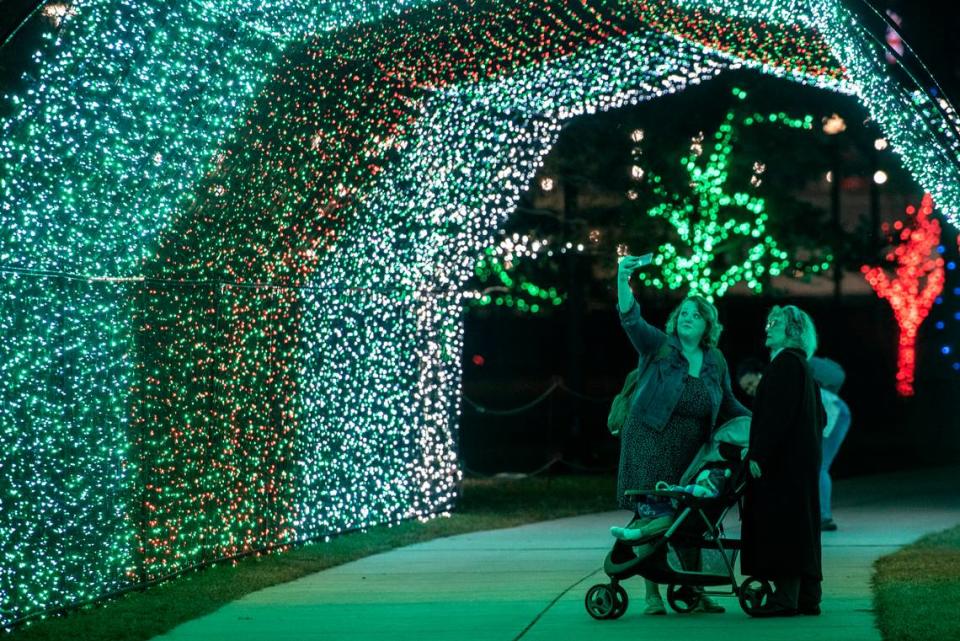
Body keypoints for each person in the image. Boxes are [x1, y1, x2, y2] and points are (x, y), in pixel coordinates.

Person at [612, 254, 749, 615]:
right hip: (649, 438)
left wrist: (761, 424)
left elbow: (730, 403)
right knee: (651, 510)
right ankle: (651, 595)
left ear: (707, 324)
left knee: (690, 517)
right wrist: (623, 279)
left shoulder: (715, 360)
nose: (687, 318)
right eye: (683, 313)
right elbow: (631, 319)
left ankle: (693, 587)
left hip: (690, 449)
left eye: (695, 314)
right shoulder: (659, 347)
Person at [741, 305, 826, 617]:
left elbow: (775, 416)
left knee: (782, 522)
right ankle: (808, 596)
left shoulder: (784, 366)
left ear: (793, 330)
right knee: (803, 523)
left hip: (782, 464)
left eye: (775, 323)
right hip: (801, 463)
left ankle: (785, 598)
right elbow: (821, 416)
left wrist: (759, 454)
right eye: (768, 321)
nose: (768, 327)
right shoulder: (803, 367)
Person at [737, 356, 851, 531]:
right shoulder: (769, 390)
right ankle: (811, 515)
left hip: (833, 411)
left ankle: (824, 517)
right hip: (825, 413)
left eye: (751, 383)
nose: (751, 389)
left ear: (760, 374)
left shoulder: (775, 380)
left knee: (819, 466)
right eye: (747, 389)